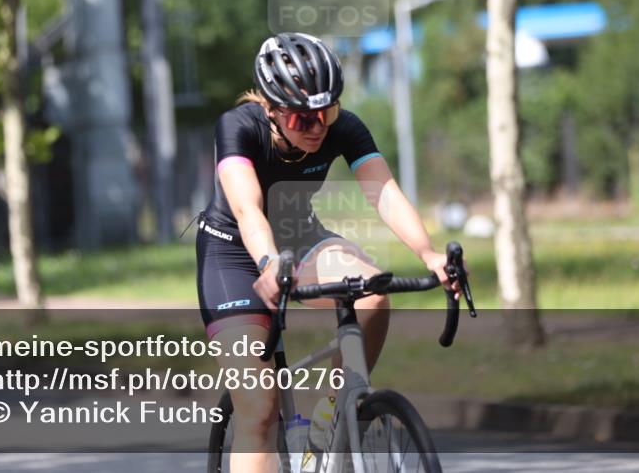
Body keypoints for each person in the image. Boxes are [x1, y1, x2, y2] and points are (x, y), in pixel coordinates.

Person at [195, 31, 460, 473]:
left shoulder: (343, 127)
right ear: (272, 109)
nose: (319, 127)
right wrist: (267, 265)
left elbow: (385, 193)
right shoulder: (239, 126)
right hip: (235, 255)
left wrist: (429, 255)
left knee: (372, 292)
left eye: (327, 111)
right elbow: (248, 211)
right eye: (303, 119)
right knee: (259, 408)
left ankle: (336, 408)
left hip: (302, 238)